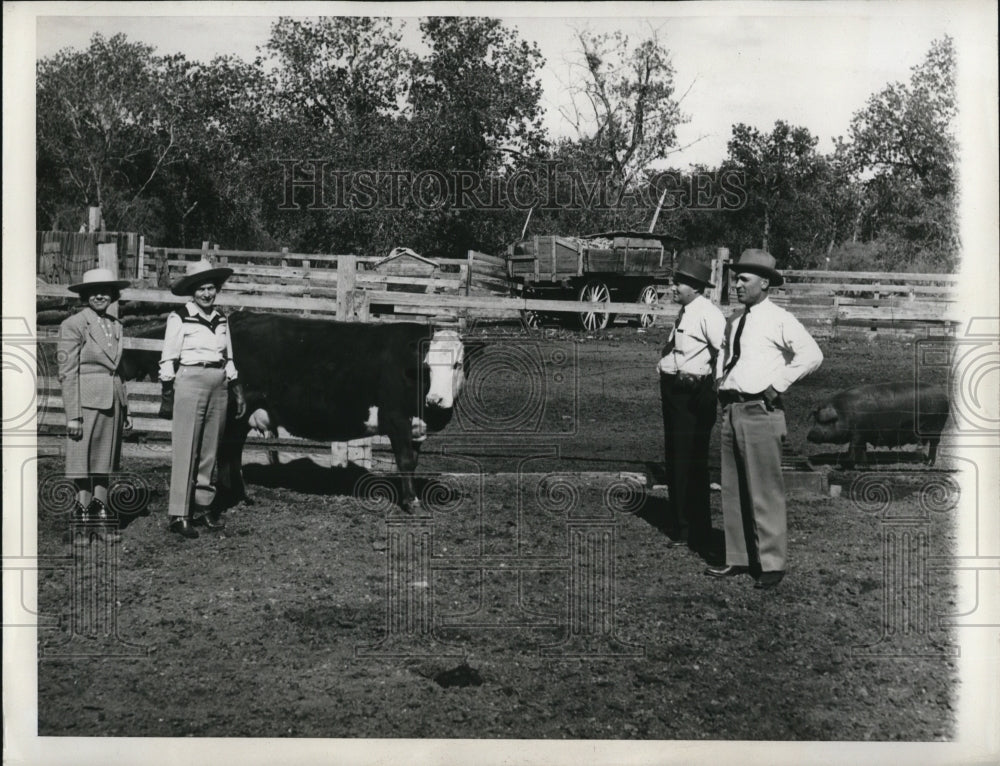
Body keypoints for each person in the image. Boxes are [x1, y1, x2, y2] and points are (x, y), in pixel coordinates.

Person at [706, 249, 823, 589]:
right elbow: (727, 357)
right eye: (737, 277)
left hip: (760, 410)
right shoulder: (735, 320)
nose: (737, 283)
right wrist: (720, 384)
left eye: (745, 279)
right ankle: (739, 557)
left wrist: (777, 386)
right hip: (732, 409)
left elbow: (812, 355)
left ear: (765, 283)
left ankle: (771, 564)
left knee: (764, 490)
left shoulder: (779, 319)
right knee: (733, 488)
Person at [159, 260, 247, 539]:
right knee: (187, 448)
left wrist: (236, 387)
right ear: (192, 291)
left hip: (218, 383)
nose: (207, 294)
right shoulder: (180, 317)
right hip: (190, 381)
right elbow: (169, 357)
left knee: (210, 450)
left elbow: (228, 356)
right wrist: (168, 391)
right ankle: (179, 514)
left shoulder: (221, 319)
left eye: (211, 288)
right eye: (201, 289)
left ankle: (204, 507)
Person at [656, 256, 726, 555]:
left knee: (689, 460)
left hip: (694, 392)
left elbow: (724, 348)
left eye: (679, 283)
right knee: (676, 456)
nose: (674, 287)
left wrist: (716, 382)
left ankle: (692, 529)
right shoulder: (687, 311)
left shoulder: (708, 314)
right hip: (675, 390)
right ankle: (682, 523)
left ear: (696, 288)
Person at [58, 268, 133, 534]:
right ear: (85, 295)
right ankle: (81, 520)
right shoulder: (75, 325)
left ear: (113, 295)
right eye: (94, 291)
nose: (100, 296)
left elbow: (118, 370)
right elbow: (66, 373)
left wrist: (126, 406)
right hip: (86, 403)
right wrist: (73, 415)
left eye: (105, 291)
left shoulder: (116, 325)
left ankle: (101, 514)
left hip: (112, 401)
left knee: (105, 462)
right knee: (82, 463)